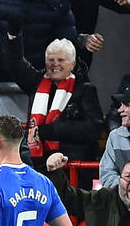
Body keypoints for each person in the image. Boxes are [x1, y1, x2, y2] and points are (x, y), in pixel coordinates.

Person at [8, 35, 102, 170]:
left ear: (73, 64)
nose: (55, 64)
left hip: (70, 166)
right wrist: (13, 36)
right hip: (38, 164)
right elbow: (15, 65)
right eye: (51, 60)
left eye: (61, 60)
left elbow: (94, 128)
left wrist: (53, 130)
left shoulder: (84, 89)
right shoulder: (36, 82)